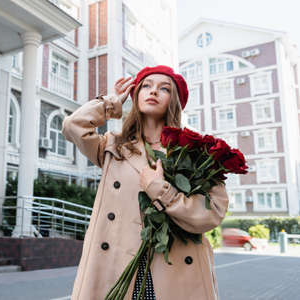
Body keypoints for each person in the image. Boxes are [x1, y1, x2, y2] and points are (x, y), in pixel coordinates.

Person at [62, 66, 229, 300]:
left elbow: (212, 213)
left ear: (174, 101)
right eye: (146, 86)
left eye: (164, 88)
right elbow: (72, 127)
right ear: (136, 93)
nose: (153, 92)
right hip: (119, 268)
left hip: (173, 269)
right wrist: (111, 103)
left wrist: (161, 191)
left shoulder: (193, 153)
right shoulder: (114, 146)